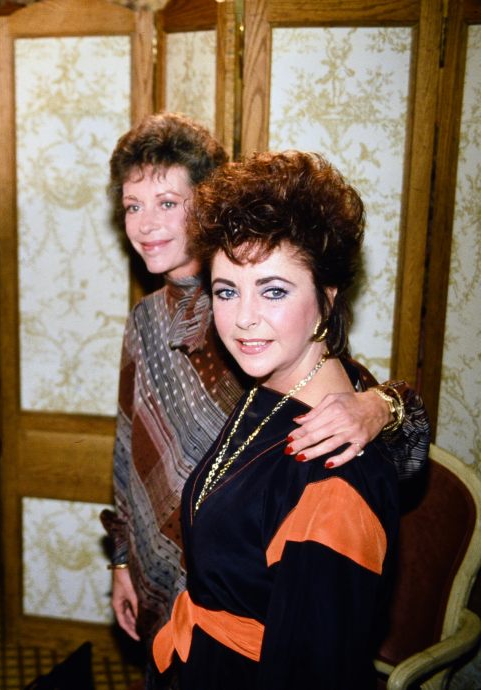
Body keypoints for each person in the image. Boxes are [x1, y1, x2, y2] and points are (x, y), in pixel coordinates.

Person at [99, 114, 428, 662]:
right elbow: (125, 449)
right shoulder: (148, 318)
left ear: (205, 205)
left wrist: (383, 405)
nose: (146, 224)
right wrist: (121, 561)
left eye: (167, 203)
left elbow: (346, 401)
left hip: (246, 587)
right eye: (133, 206)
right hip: (166, 583)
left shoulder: (247, 315)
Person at [151, 150, 398, 688]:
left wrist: (387, 406)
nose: (242, 319)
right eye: (226, 290)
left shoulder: (332, 472)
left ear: (327, 299)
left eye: (274, 290)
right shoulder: (273, 386)